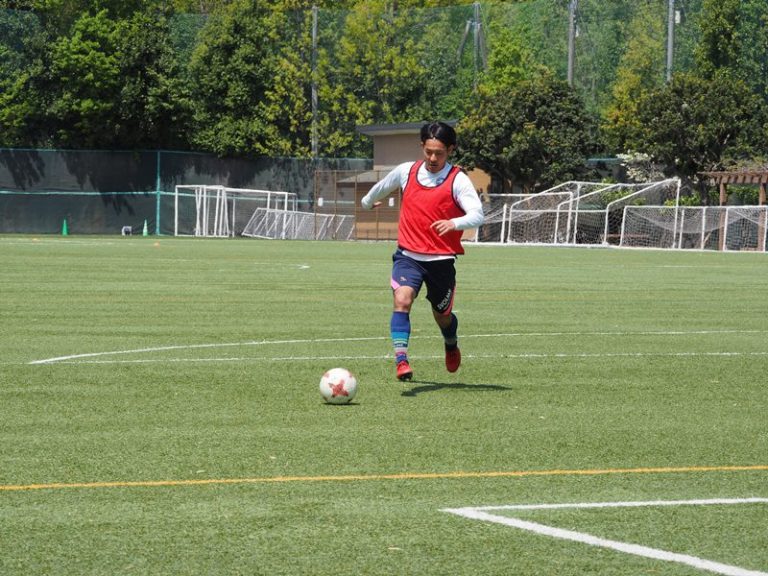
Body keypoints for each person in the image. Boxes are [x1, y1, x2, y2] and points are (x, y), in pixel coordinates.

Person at [360, 121, 484, 381]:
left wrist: (454, 223)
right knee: (402, 300)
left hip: (441, 262)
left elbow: (477, 214)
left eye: (439, 153)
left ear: (450, 150)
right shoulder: (406, 171)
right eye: (428, 152)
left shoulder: (458, 180)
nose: (433, 158)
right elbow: (381, 187)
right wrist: (367, 203)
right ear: (421, 147)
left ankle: (451, 343)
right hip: (408, 257)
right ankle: (401, 360)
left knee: (442, 316)